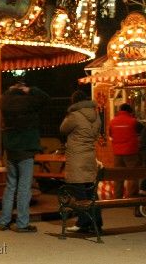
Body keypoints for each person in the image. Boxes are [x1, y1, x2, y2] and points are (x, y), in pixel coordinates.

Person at [0, 80, 50, 232]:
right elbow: (46, 98)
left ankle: (4, 221)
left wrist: (10, 90)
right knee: (24, 186)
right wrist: (31, 89)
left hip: (11, 148)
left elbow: (3, 97)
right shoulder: (30, 101)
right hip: (26, 147)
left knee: (11, 185)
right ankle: (22, 223)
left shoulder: (5, 102)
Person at [59, 90, 103, 233]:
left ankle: (83, 222)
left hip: (76, 157)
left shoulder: (74, 116)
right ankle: (97, 222)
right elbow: (96, 134)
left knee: (79, 192)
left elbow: (62, 129)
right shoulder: (96, 116)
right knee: (91, 190)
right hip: (90, 156)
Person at [108, 103, 141, 198]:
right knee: (132, 175)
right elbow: (140, 132)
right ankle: (131, 196)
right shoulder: (133, 121)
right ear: (129, 111)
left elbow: (110, 135)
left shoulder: (112, 122)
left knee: (118, 176)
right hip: (131, 153)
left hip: (117, 153)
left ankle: (117, 197)